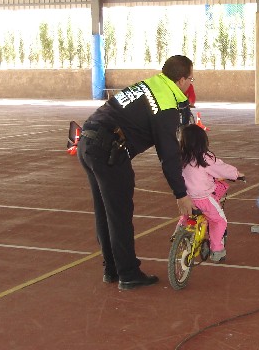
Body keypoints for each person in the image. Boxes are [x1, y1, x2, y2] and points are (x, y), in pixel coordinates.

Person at [77, 55, 195, 290]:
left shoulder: (152, 84)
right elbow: (168, 154)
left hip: (87, 142)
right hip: (109, 150)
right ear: (181, 80)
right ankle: (128, 274)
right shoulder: (165, 101)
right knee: (119, 214)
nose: (191, 83)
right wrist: (181, 194)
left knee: (105, 211)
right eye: (191, 78)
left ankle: (112, 269)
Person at [178, 124, 244, 263]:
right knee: (219, 221)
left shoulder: (180, 157)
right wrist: (237, 174)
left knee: (185, 216)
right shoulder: (205, 158)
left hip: (186, 198)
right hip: (204, 199)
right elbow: (222, 169)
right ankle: (217, 250)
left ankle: (179, 233)